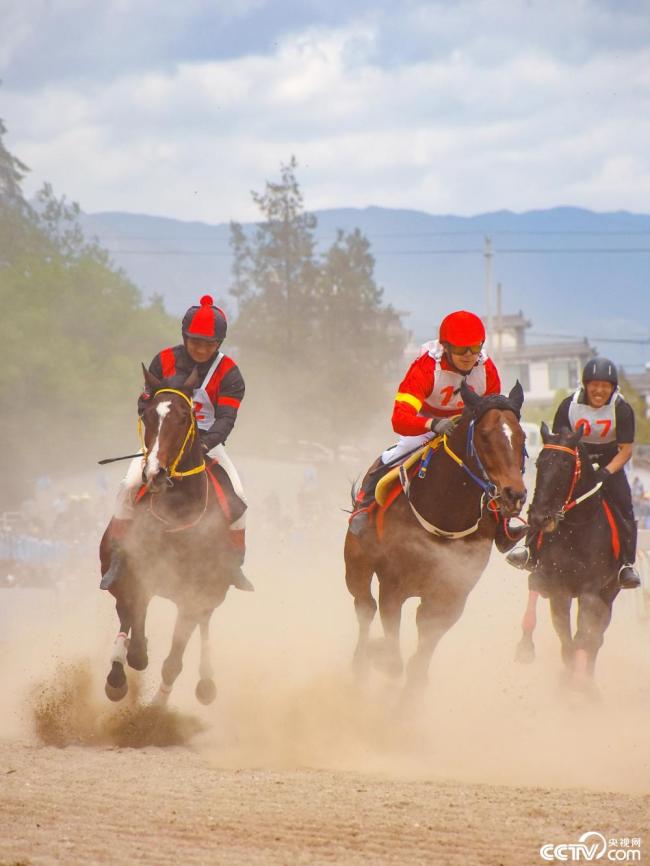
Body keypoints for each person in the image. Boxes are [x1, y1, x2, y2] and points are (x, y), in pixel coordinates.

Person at [101, 294, 253, 592]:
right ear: (185, 336)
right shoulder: (164, 360)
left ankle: (235, 563)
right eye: (195, 340)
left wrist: (205, 444)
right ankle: (118, 556)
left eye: (209, 343)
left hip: (207, 442)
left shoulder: (230, 373)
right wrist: (147, 407)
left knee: (238, 496)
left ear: (219, 343)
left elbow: (226, 418)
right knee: (130, 484)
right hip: (164, 440)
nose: (201, 348)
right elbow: (146, 401)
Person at [348, 309, 502, 535]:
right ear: (446, 347)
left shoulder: (487, 369)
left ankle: (507, 522)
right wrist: (432, 425)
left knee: (500, 459)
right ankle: (364, 506)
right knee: (397, 453)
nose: (469, 355)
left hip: (467, 428)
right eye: (461, 349)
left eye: (475, 347)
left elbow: (492, 414)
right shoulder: (426, 368)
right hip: (426, 425)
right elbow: (399, 419)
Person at [507, 357, 641, 589]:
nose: (599, 390)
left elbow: (626, 450)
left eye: (605, 386)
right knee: (545, 497)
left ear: (612, 388)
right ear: (586, 385)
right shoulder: (569, 405)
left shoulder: (622, 409)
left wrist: (606, 473)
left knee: (624, 504)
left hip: (609, 465)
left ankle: (626, 565)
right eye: (594, 385)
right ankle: (529, 551)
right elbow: (560, 443)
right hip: (576, 463)